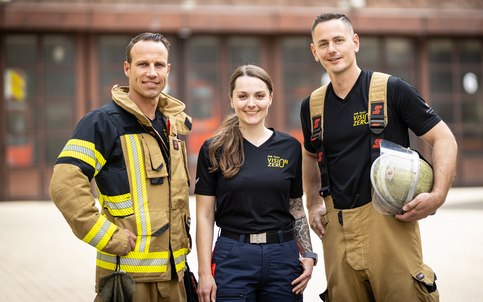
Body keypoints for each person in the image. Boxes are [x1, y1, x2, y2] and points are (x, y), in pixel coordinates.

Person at [300, 13, 458, 302]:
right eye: (323, 44)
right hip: (337, 230)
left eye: (339, 40)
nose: (331, 49)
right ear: (314, 51)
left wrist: (439, 194)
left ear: (355, 42)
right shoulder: (311, 106)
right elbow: (309, 157)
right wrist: (312, 202)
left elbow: (444, 138)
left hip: (389, 224)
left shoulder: (391, 89)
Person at [49, 32, 193, 302]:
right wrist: (107, 235)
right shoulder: (102, 122)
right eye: (142, 64)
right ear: (127, 68)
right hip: (128, 281)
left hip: (175, 278)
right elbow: (65, 185)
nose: (152, 72)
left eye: (159, 65)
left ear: (168, 70)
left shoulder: (170, 125)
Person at [195, 64, 316, 302]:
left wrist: (309, 253)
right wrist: (203, 274)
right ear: (232, 100)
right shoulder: (213, 149)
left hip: (283, 256)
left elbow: (295, 206)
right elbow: (205, 215)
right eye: (243, 96)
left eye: (259, 96)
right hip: (233, 256)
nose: (252, 103)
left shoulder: (290, 147)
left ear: (270, 98)